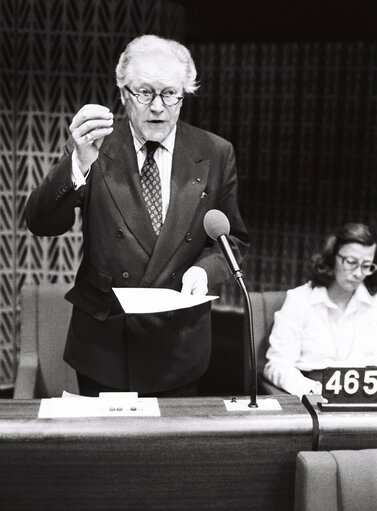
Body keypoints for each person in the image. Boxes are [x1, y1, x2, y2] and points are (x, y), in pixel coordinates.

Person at [25, 34, 249, 397]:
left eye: (170, 94)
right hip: (106, 344)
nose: (158, 107)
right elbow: (41, 222)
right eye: (145, 92)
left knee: (168, 453)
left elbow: (232, 240)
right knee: (107, 453)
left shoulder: (215, 152)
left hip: (179, 345)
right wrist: (78, 162)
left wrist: (202, 271)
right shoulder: (96, 144)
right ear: (123, 92)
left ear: (184, 94)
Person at [263, 223, 377, 398]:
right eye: (352, 262)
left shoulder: (373, 304)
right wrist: (311, 390)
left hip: (365, 402)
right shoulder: (300, 300)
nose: (358, 273)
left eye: (366, 265)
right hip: (313, 399)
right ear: (332, 258)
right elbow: (277, 365)